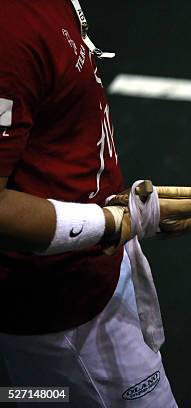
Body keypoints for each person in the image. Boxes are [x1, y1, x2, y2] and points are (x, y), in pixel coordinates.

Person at [0, 1, 179, 406]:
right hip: (64, 311)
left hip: (92, 276)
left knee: (34, 397)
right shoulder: (7, 38)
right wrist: (108, 224)